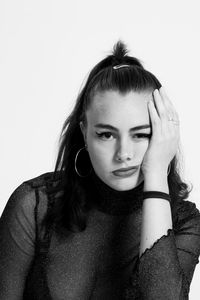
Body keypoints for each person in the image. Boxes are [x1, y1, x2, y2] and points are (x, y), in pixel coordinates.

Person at [0, 41, 200, 300]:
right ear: (84, 132)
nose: (123, 153)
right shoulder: (34, 206)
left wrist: (156, 173)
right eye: (106, 134)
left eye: (141, 135)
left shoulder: (184, 222)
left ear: (163, 137)